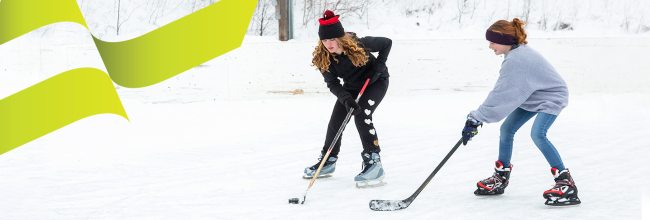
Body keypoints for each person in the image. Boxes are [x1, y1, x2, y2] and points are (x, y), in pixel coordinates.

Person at [461, 18, 580, 206]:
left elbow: (500, 94)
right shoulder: (515, 54)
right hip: (532, 95)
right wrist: (478, 117)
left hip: (551, 96)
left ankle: (566, 182)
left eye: (493, 42)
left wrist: (476, 118)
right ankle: (500, 178)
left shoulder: (517, 60)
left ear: (506, 40)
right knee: (506, 130)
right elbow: (508, 94)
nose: (490, 46)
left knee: (538, 134)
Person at [303, 10, 392, 188]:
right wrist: (345, 98)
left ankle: (373, 162)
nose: (328, 44)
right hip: (351, 87)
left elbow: (386, 43)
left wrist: (379, 66)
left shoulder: (359, 44)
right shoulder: (323, 57)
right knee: (336, 121)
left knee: (362, 115)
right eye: (324, 40)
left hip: (375, 82)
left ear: (340, 38)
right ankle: (327, 162)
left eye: (332, 39)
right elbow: (333, 84)